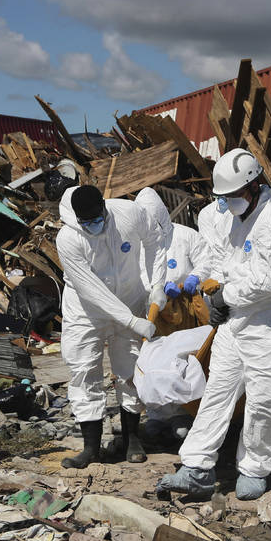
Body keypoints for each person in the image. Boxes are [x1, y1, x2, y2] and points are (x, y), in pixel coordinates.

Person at [157, 149, 271, 501]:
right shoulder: (240, 219)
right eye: (225, 198)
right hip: (238, 326)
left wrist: (226, 298)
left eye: (234, 196)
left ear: (254, 186)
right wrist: (215, 293)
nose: (229, 203)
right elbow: (226, 261)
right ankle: (196, 467)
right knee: (217, 393)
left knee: (264, 405)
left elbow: (266, 281)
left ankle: (253, 468)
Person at [56, 185, 168, 468]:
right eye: (87, 223)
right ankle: (90, 448)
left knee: (130, 367)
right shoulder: (68, 238)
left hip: (129, 297)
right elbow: (90, 288)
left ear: (105, 209)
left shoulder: (128, 213)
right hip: (86, 310)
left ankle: (132, 439)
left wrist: (157, 284)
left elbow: (155, 239)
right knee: (84, 370)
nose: (94, 226)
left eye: (98, 219)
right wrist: (131, 321)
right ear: (78, 219)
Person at [133, 186, 209, 440]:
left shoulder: (186, 236)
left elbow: (207, 261)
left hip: (185, 311)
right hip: (155, 312)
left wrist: (195, 278)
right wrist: (155, 288)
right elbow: (137, 275)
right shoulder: (139, 245)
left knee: (183, 360)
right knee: (155, 359)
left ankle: (183, 412)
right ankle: (157, 414)